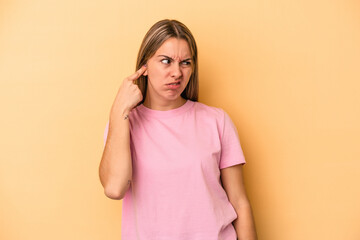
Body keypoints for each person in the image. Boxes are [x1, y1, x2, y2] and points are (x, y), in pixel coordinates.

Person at [99, 19, 258, 240]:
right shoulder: (124, 123)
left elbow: (240, 203)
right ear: (144, 66)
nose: (177, 72)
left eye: (185, 63)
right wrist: (119, 108)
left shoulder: (216, 120)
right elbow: (114, 189)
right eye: (166, 61)